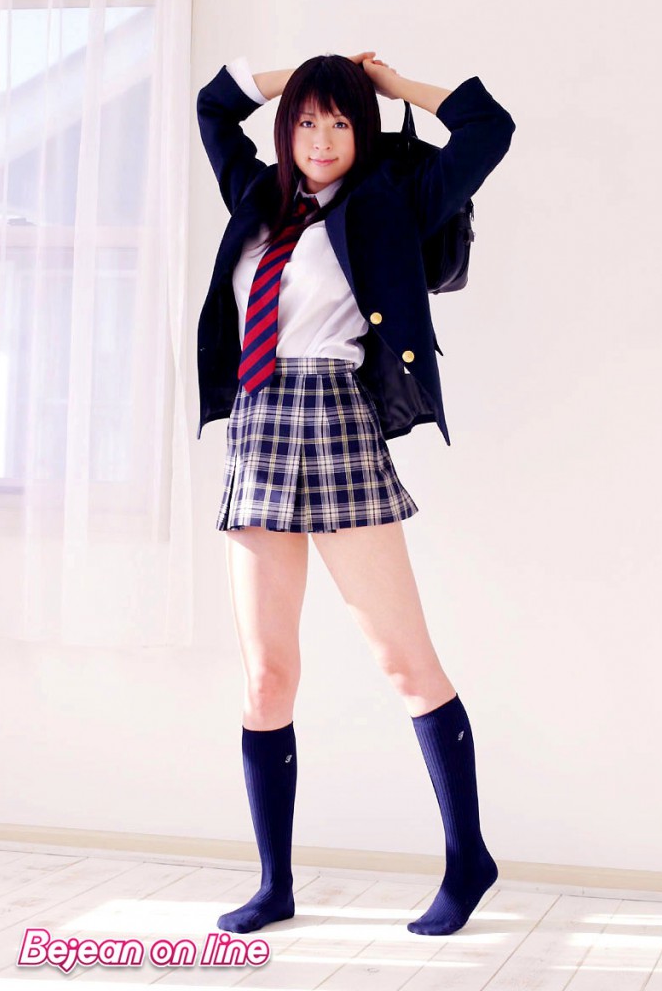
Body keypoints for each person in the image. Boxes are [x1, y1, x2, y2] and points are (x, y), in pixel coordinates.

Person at [196, 50, 516, 937]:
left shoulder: (391, 200)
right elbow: (213, 107)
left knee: (404, 663)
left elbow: (489, 128)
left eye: (340, 121)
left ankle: (468, 858)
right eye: (307, 120)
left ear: (361, 130)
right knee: (267, 676)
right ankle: (274, 885)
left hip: (336, 421)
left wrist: (392, 85)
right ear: (286, 129)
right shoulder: (256, 197)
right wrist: (298, 74)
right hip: (259, 427)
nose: (322, 138)